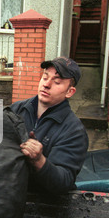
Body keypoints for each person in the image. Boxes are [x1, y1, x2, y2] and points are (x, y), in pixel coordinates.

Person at [10, 57, 89, 194]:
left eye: (57, 82)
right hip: (10, 198)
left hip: (43, 208)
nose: (47, 84)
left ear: (70, 92)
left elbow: (64, 181)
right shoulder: (16, 109)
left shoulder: (74, 130)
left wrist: (39, 161)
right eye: (45, 77)